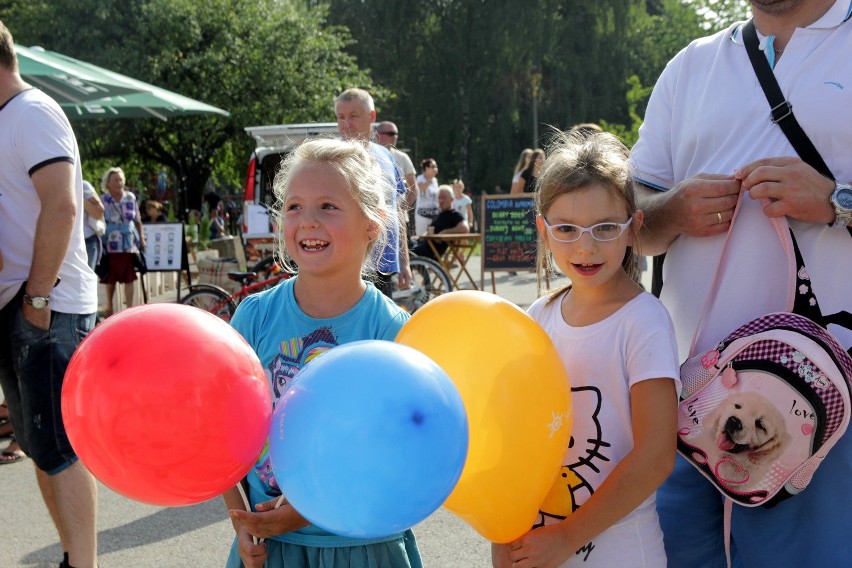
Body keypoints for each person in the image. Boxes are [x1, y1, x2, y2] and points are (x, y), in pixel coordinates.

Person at [629, 1, 852, 566]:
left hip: (825, 412)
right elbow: (631, 217)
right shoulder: (691, 66)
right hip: (686, 400)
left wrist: (836, 202)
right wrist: (669, 211)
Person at [222, 138, 422, 568]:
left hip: (361, 549)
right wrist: (240, 520)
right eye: (294, 206)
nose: (307, 221)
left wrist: (303, 511)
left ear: (373, 224)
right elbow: (224, 433)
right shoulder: (254, 318)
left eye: (328, 206)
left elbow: (396, 456)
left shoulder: (391, 332)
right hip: (270, 548)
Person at [495, 131, 679, 568]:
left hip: (622, 552)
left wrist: (567, 537)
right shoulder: (537, 316)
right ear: (543, 230)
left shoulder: (644, 321)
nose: (586, 245)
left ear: (633, 227)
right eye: (566, 229)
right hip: (537, 548)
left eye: (604, 228)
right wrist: (503, 544)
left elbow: (655, 456)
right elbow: (512, 442)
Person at [0, 21, 99, 567]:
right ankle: (71, 558)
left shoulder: (31, 112)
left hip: (49, 303)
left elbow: (62, 205)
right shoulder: (8, 119)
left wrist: (37, 298)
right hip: (23, 302)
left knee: (57, 447)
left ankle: (82, 564)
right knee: (40, 444)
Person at [334, 87, 411, 296]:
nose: (345, 124)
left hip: (384, 263)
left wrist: (405, 262)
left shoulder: (387, 157)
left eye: (353, 116)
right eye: (341, 117)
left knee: (380, 327)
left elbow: (396, 210)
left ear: (372, 117)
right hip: (348, 266)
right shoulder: (332, 160)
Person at [100, 166, 145, 316]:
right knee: (110, 277)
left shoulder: (130, 197)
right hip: (111, 242)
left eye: (121, 179)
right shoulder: (104, 199)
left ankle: (130, 308)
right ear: (108, 183)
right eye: (115, 180)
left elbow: (137, 220)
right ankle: (109, 306)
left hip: (128, 243)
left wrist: (142, 239)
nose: (119, 183)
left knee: (129, 276)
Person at [412, 185, 470, 261]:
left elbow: (465, 228)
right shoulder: (438, 214)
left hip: (432, 252)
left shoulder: (454, 215)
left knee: (408, 251)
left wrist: (445, 232)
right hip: (423, 244)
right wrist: (422, 236)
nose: (441, 200)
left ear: (452, 199)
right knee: (406, 244)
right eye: (439, 198)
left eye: (444, 198)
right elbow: (430, 231)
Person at [376, 120, 417, 208]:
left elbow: (414, 188)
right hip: (375, 214)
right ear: (378, 135)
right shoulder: (368, 155)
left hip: (397, 215)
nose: (394, 137)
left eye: (396, 134)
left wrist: (403, 209)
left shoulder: (403, 157)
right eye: (391, 133)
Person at [81, 180, 105, 271]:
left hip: (88, 240)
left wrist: (78, 195)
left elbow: (99, 212)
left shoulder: (84, 186)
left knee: (86, 278)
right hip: (63, 241)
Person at [414, 158, 441, 235]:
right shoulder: (419, 178)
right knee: (421, 236)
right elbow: (420, 188)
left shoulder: (435, 180)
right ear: (426, 168)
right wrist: (429, 180)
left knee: (433, 237)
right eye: (433, 166)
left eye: (436, 166)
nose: (435, 168)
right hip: (422, 214)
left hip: (433, 214)